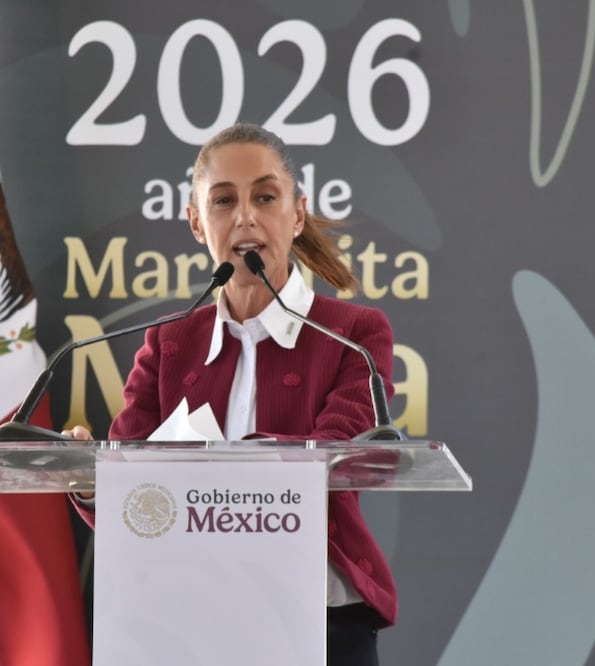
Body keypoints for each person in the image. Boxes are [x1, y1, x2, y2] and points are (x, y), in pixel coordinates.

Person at [65, 122, 397, 666]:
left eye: (265, 197)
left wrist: (206, 467)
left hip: (322, 622)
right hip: (188, 618)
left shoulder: (354, 335)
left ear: (297, 214)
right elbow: (135, 502)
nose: (245, 216)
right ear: (197, 222)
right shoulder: (167, 342)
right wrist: (91, 481)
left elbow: (333, 458)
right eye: (223, 200)